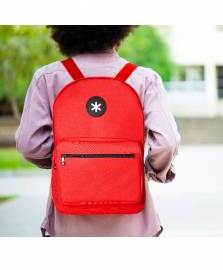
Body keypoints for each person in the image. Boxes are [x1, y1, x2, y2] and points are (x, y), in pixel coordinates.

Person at [15, 25, 181, 237]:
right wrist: (149, 170)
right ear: (120, 31)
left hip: (69, 220)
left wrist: (65, 162)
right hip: (133, 221)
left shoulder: (47, 78)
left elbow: (30, 145)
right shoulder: (144, 79)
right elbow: (167, 142)